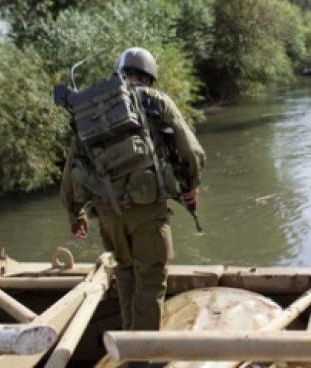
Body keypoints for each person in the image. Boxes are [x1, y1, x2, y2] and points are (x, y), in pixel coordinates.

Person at [61, 47, 206, 333]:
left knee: (126, 275)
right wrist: (192, 185)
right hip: (147, 210)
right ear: (149, 76)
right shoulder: (156, 101)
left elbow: (72, 166)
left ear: (120, 72)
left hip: (108, 214)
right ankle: (142, 352)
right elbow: (192, 151)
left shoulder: (93, 109)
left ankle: (129, 342)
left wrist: (74, 213)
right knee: (150, 282)